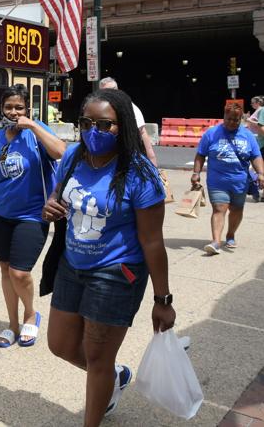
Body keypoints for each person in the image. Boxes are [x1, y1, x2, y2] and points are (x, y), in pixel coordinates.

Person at [42, 88, 175, 426]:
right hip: (72, 266)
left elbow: (153, 242)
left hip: (117, 274)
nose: (93, 132)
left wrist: (163, 299)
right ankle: (114, 375)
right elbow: (58, 195)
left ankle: (98, 398)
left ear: (123, 127)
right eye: (86, 123)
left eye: (105, 125)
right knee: (59, 345)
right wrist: (51, 207)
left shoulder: (139, 173)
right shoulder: (72, 157)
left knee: (98, 359)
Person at [0, 85, 65, 347]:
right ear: (1, 109)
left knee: (20, 273)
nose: (13, 112)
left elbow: (62, 153)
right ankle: (12, 324)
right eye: (9, 107)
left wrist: (32, 126)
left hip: (33, 216)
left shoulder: (37, 133)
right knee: (5, 270)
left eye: (19, 107)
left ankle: (31, 314)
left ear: (27, 110)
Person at [192, 103, 264, 254]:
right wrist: (196, 173)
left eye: (236, 120)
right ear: (224, 116)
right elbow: (200, 154)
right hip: (217, 181)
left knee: (237, 209)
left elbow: (256, 156)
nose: (232, 122)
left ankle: (230, 235)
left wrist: (261, 173)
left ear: (241, 119)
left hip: (240, 181)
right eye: (229, 118)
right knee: (219, 208)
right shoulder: (211, 133)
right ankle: (216, 241)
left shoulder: (248, 136)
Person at [99, 77, 158, 166]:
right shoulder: (99, 109)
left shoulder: (129, 107)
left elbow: (142, 132)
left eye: (111, 91)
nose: (109, 95)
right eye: (104, 92)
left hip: (128, 157)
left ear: (117, 90)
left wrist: (152, 161)